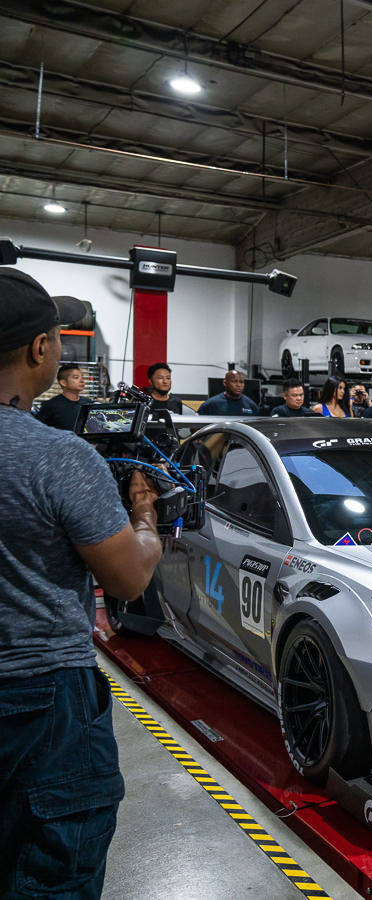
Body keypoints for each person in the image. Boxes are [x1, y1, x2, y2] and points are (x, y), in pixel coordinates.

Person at [1, 269, 163, 897]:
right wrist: (144, 517)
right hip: (41, 701)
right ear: (40, 349)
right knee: (48, 876)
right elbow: (126, 580)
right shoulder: (59, 457)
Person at [34, 362, 92, 431]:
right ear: (63, 383)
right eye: (76, 377)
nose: (82, 380)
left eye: (82, 377)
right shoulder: (51, 406)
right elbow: (38, 429)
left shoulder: (87, 403)